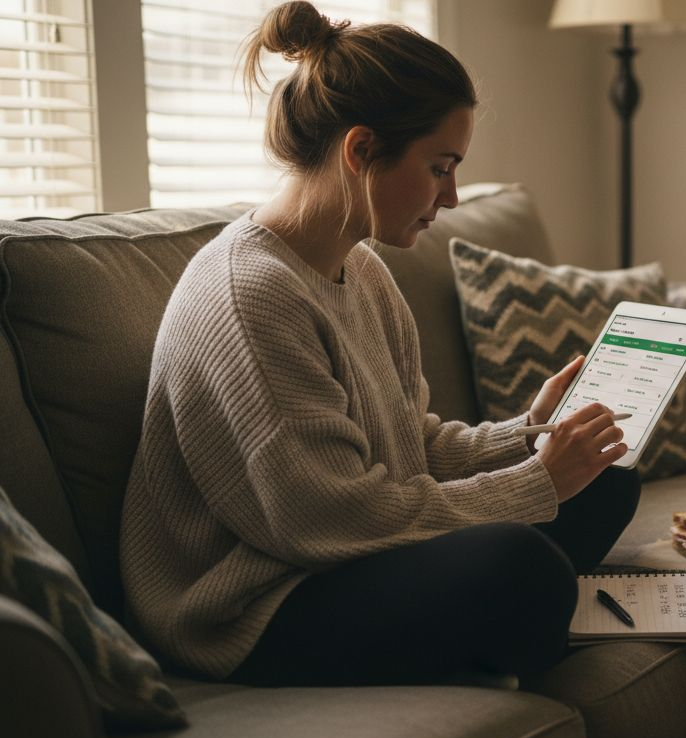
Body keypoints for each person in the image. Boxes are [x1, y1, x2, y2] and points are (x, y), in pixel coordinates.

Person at [119, 0, 640, 687]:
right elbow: (329, 516)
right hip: (264, 602)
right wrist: (537, 482)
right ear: (361, 150)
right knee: (522, 568)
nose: (451, 196)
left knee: (609, 484)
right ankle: (495, 633)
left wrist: (530, 436)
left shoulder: (360, 267)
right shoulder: (251, 294)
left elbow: (409, 447)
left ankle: (486, 639)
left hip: (341, 554)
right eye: (439, 166)